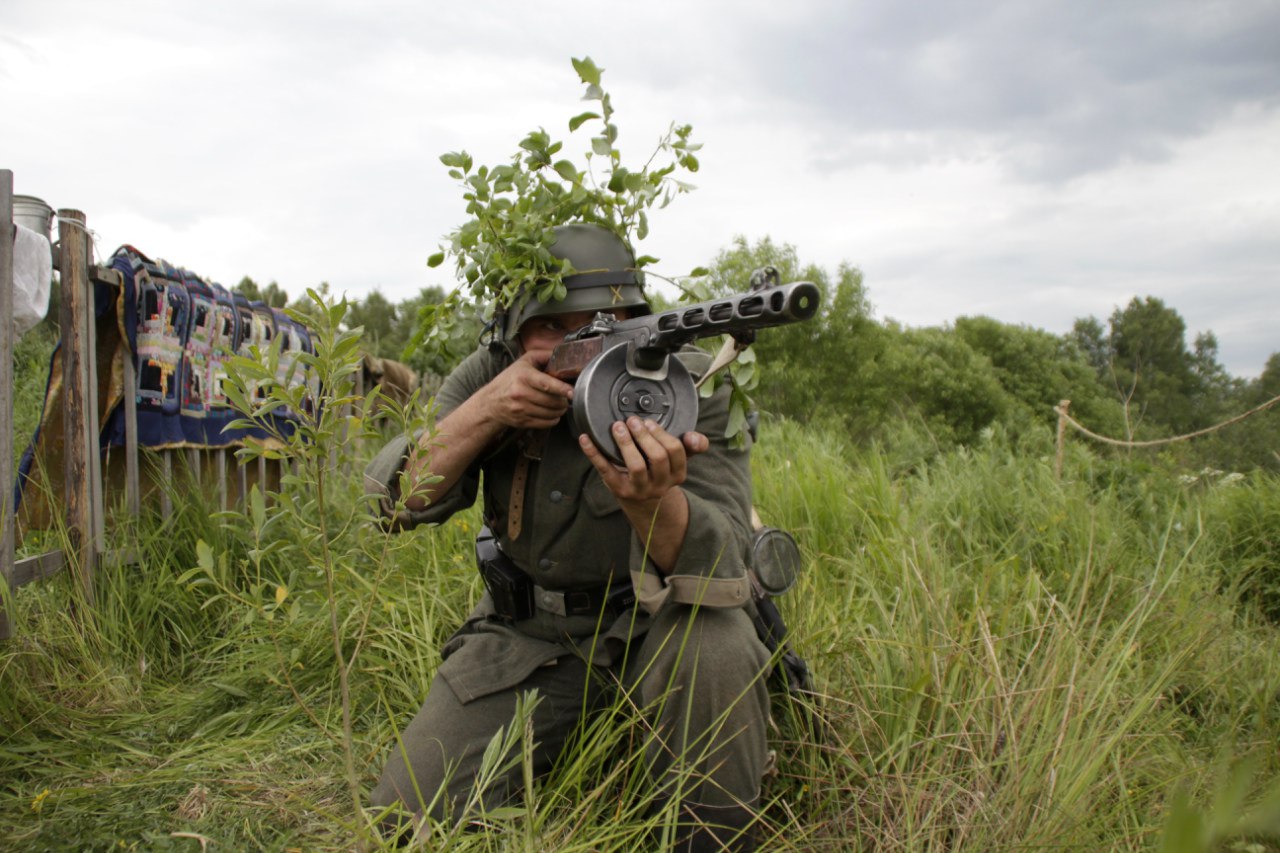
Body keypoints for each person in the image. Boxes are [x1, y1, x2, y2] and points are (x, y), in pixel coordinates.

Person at [364, 223, 772, 851]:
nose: (584, 342)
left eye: (608, 323)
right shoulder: (493, 374)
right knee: (401, 820)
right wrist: (489, 410)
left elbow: (724, 566)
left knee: (715, 645)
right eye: (554, 325)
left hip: (660, 627)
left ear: (637, 321)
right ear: (514, 333)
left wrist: (651, 501)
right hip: (530, 638)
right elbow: (393, 503)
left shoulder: (691, 382)